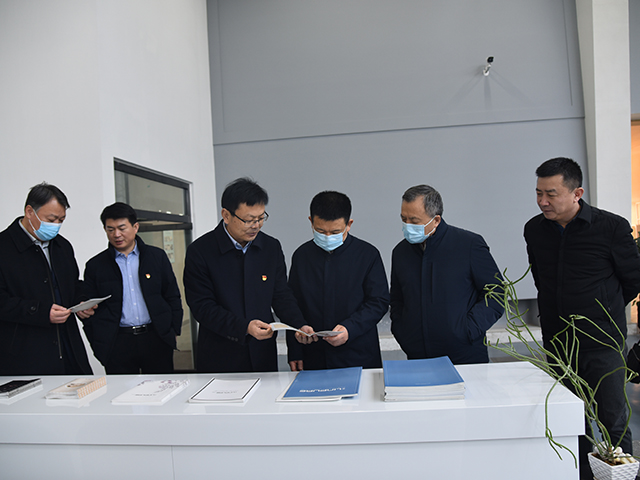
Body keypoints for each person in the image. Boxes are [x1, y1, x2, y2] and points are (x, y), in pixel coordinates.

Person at [524, 157, 640, 479]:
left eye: (551, 194)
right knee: (570, 419)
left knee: (613, 420)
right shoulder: (534, 229)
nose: (542, 201)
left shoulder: (611, 227)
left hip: (602, 342)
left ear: (577, 193)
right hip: (559, 342)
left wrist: (603, 309)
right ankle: (580, 474)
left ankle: (622, 475)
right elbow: (540, 277)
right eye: (538, 193)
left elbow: (632, 279)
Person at [183, 177, 309, 373]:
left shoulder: (270, 247)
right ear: (226, 215)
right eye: (249, 220)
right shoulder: (200, 251)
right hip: (221, 356)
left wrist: (299, 325)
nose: (256, 225)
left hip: (262, 354)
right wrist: (244, 327)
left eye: (261, 218)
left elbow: (281, 295)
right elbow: (202, 307)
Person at [390, 184, 503, 364]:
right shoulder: (400, 252)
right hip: (418, 355)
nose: (407, 226)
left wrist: (468, 330)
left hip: (465, 355)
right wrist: (403, 332)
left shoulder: (468, 244)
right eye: (404, 219)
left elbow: (496, 293)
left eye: (414, 221)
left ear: (436, 220)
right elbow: (397, 299)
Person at [287, 191, 389, 371]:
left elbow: (378, 302)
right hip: (313, 355)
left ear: (349, 224)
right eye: (320, 231)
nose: (327, 236)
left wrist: (350, 328)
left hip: (358, 353)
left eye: (335, 232)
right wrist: (295, 350)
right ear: (311, 221)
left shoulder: (367, 255)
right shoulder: (302, 256)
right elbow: (291, 304)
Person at [0, 182, 94, 376]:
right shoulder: (4, 248)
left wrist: (81, 301)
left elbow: (72, 284)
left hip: (68, 346)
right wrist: (40, 312)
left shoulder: (62, 246)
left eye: (61, 220)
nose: (56, 225)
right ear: (29, 212)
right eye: (51, 219)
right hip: (25, 353)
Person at [82, 202, 183, 374]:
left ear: (135, 227)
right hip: (118, 342)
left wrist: (172, 331)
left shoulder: (156, 257)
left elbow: (172, 295)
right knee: (122, 390)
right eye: (110, 229)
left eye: (122, 228)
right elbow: (90, 307)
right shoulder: (95, 265)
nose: (116, 234)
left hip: (155, 338)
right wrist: (99, 343)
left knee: (160, 386)